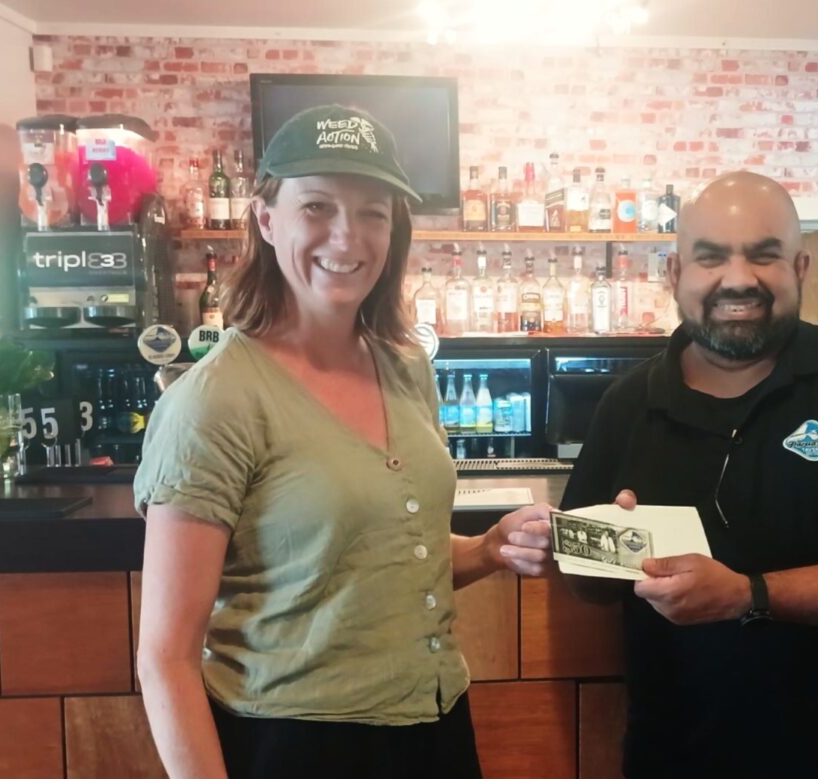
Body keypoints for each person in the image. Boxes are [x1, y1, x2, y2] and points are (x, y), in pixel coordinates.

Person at [134, 104, 551, 779]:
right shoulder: (216, 400)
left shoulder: (405, 368)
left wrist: (488, 548)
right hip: (296, 744)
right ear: (266, 220)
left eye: (372, 213)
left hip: (436, 726)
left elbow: (383, 556)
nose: (347, 236)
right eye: (318, 206)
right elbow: (166, 658)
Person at [561, 171, 818, 778]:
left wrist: (748, 596)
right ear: (675, 273)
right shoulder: (627, 403)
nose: (739, 278)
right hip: (672, 762)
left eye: (764, 255)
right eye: (711, 257)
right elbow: (587, 589)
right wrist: (599, 550)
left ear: (800, 268)